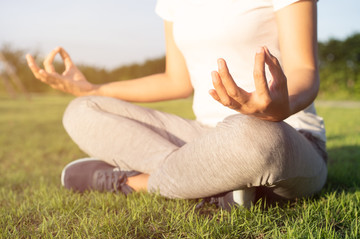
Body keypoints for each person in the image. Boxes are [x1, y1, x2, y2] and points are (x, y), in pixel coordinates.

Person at [26, 0, 327, 210]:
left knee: (259, 138)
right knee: (83, 110)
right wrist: (93, 88)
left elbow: (305, 72)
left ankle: (138, 183)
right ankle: (213, 181)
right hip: (204, 136)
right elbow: (176, 80)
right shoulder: (174, 1)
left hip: (282, 131)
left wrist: (277, 108)